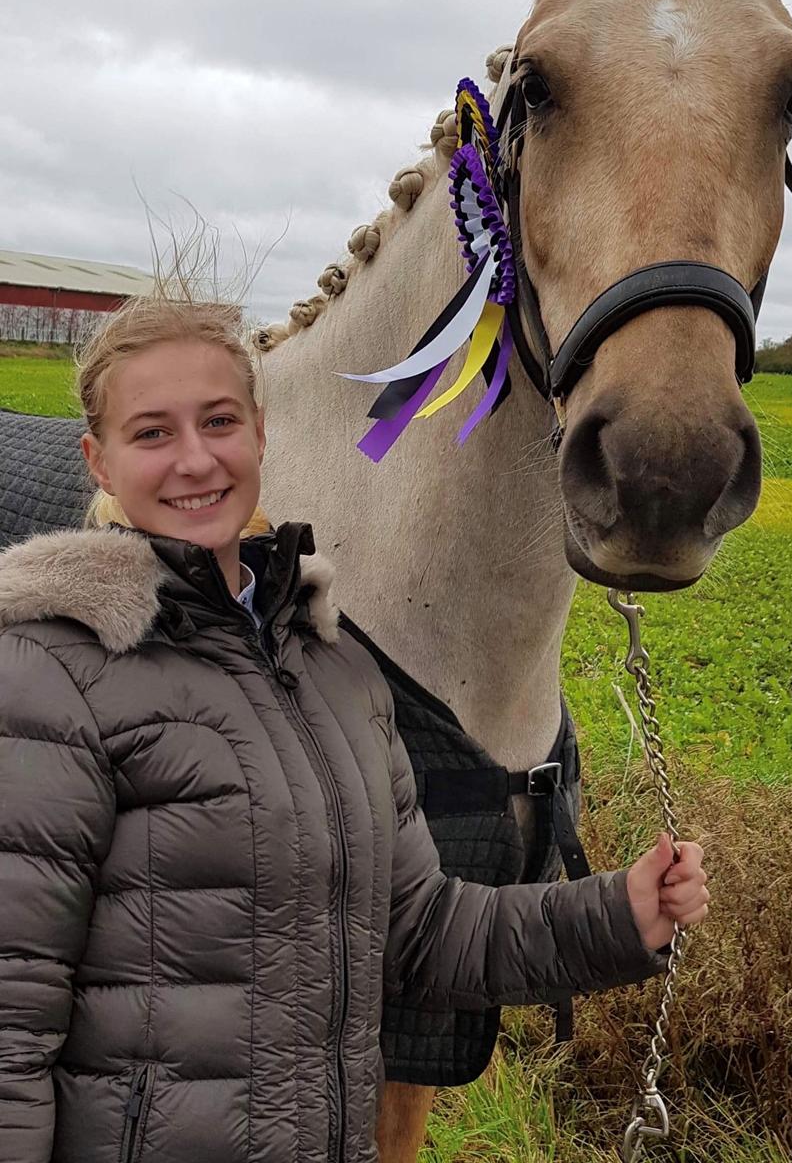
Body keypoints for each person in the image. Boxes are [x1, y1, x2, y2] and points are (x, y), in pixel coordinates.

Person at [0, 291, 709, 1163]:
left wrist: (618, 916)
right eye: (151, 433)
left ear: (262, 435)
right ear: (98, 463)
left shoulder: (335, 669)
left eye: (219, 421)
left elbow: (422, 931)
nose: (194, 459)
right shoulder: (50, 675)